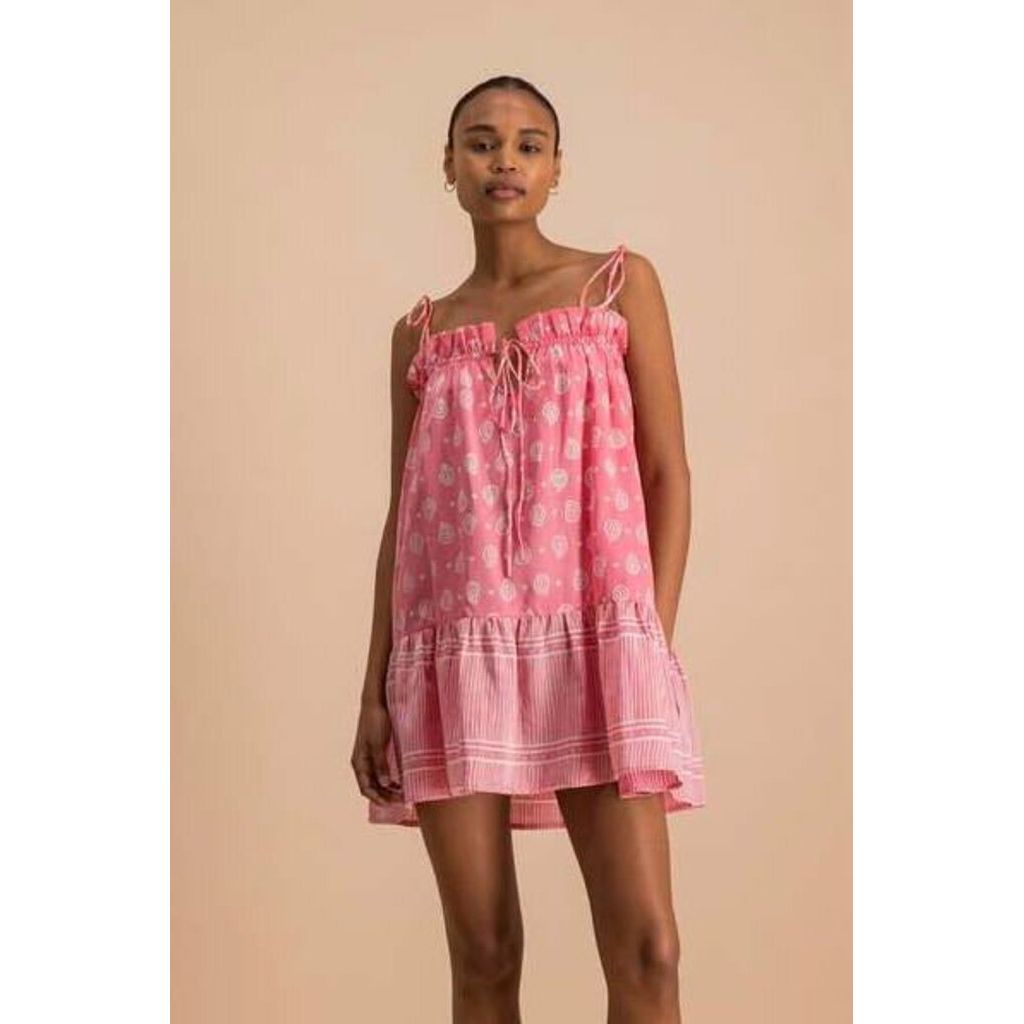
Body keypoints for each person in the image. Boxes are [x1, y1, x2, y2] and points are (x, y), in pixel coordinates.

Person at [350, 74, 706, 1022]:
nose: (503, 160)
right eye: (480, 142)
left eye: (528, 144)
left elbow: (667, 474)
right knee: (484, 953)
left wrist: (649, 645)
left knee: (648, 949)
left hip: (597, 637)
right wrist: (374, 691)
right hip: (452, 649)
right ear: (448, 165)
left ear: (556, 169)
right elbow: (404, 516)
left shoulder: (617, 286)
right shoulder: (421, 334)